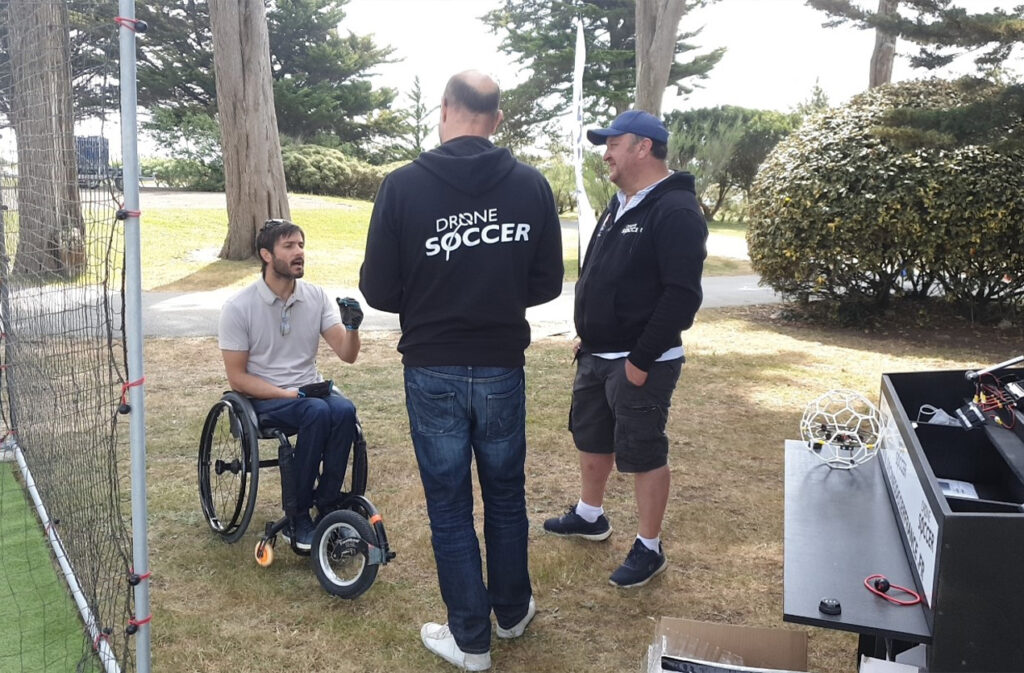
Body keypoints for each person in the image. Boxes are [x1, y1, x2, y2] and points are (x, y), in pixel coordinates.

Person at [360, 70, 563, 671]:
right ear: (496, 120)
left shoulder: (402, 187)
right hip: (500, 362)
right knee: (505, 495)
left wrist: (435, 296)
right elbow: (546, 281)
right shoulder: (531, 186)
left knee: (450, 504)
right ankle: (511, 610)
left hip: (433, 366)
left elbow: (378, 288)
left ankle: (473, 639)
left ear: (444, 110)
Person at [543, 109, 707, 589]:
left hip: (641, 362)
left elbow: (682, 296)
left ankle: (649, 547)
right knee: (592, 438)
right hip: (597, 353)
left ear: (642, 147)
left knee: (643, 451)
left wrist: (640, 359)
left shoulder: (674, 209)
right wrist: (590, 333)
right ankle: (591, 515)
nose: (606, 152)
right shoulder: (620, 203)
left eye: (614, 143)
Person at [218, 218, 364, 551]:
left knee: (343, 410)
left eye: (301, 245)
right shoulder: (239, 308)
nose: (299, 253)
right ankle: (297, 516)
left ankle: (327, 505)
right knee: (315, 411)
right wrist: (287, 393)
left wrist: (352, 328)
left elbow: (347, 354)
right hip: (263, 398)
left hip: (306, 393)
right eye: (289, 246)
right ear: (266, 255)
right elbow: (237, 378)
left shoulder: (315, 297)